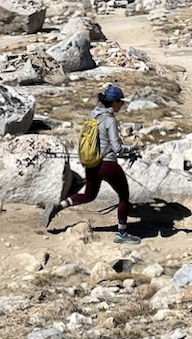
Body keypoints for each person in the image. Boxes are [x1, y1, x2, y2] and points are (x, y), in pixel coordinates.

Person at [46, 84, 141, 242]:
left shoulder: (95, 117)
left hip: (92, 163)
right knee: (124, 197)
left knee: (89, 194)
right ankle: (122, 233)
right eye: (121, 102)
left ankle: (59, 206)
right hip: (108, 164)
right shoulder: (110, 120)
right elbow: (116, 148)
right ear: (114, 102)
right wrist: (131, 150)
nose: (122, 105)